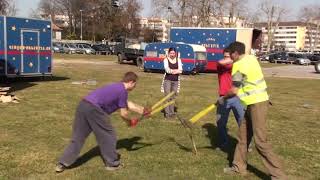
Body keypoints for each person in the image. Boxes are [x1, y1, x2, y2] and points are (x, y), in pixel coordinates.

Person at [55, 72, 151, 172]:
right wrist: (129, 122)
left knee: (78, 137)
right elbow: (124, 114)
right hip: (95, 109)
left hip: (83, 105)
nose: (135, 86)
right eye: (135, 84)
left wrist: (143, 110)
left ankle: (62, 163)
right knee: (108, 135)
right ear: (131, 82)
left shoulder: (116, 87)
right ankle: (112, 164)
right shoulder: (123, 91)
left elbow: (128, 104)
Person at [222, 42, 287, 179]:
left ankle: (279, 176)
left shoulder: (239, 66)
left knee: (260, 142)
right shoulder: (251, 58)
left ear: (235, 53)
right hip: (252, 104)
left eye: (230, 55)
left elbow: (234, 90)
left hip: (257, 104)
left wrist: (222, 99)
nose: (230, 58)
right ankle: (238, 167)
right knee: (243, 136)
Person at [215, 48, 245, 150]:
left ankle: (246, 144)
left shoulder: (237, 66)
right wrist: (233, 59)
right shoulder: (221, 65)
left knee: (242, 121)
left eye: (229, 56)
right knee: (220, 122)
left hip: (237, 97)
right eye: (226, 56)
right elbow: (220, 62)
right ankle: (224, 142)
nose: (227, 59)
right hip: (223, 97)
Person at [161, 47, 182, 119]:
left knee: (173, 97)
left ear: (175, 53)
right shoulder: (166, 60)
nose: (172, 54)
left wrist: (176, 71)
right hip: (167, 80)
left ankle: (172, 113)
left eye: (173, 53)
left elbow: (181, 70)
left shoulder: (178, 60)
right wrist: (175, 71)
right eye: (171, 53)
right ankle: (167, 114)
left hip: (176, 81)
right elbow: (167, 70)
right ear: (169, 53)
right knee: (167, 97)